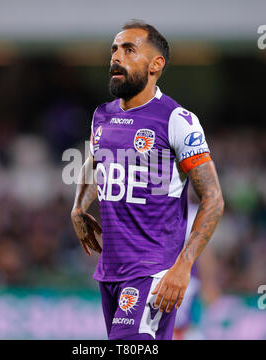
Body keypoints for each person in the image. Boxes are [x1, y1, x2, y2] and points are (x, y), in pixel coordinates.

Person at [71, 20, 224, 340]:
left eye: (129, 50)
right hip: (110, 270)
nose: (116, 56)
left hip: (154, 271)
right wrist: (78, 206)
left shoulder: (177, 120)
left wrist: (184, 265)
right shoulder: (102, 115)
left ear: (156, 64)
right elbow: (95, 160)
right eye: (114, 49)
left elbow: (213, 198)